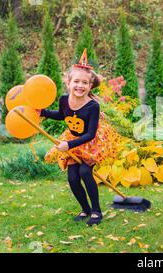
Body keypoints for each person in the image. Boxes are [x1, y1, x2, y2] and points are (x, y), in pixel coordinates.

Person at [40, 49, 119, 226]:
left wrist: (68, 145)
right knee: (73, 178)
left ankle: (97, 211)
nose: (80, 86)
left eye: (84, 83)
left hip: (91, 142)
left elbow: (90, 134)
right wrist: (44, 112)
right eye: (76, 81)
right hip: (73, 140)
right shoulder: (63, 99)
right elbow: (63, 115)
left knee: (85, 171)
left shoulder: (93, 106)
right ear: (68, 82)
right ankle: (86, 209)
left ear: (90, 86)